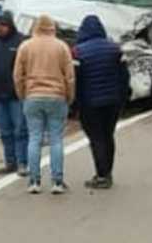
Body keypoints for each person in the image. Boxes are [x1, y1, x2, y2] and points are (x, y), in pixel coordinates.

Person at [13, 15, 74, 195]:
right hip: (56, 96)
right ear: (52, 27)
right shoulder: (61, 47)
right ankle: (57, 181)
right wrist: (69, 97)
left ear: (36, 27)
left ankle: (34, 181)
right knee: (56, 139)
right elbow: (70, 77)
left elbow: (17, 76)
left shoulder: (25, 46)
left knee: (34, 138)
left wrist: (22, 95)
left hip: (32, 96)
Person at [73, 15, 130, 190]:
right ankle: (108, 173)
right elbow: (124, 76)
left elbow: (75, 79)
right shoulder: (115, 49)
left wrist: (75, 103)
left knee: (96, 138)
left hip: (90, 103)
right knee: (108, 135)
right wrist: (123, 97)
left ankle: (101, 175)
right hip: (113, 102)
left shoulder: (78, 52)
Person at [0, 11, 29, 176]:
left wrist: (23, 85)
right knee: (4, 132)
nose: (1, 28)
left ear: (10, 25)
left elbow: (28, 66)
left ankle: (23, 162)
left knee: (20, 130)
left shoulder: (22, 42)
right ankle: (10, 162)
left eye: (3, 25)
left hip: (17, 95)